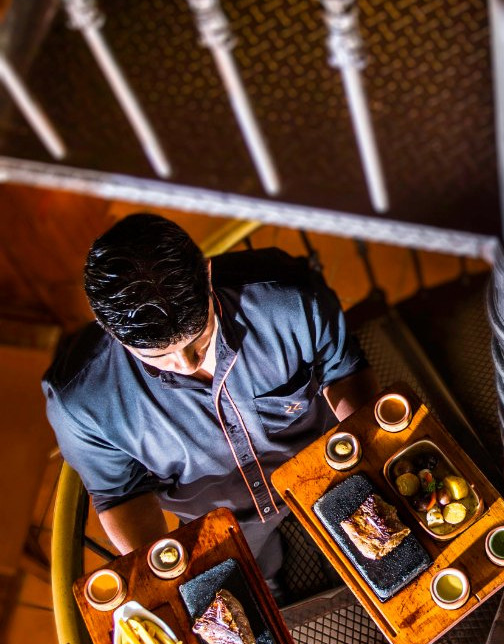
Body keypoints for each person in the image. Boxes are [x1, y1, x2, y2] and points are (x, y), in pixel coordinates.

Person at [42, 213, 376, 592]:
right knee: (257, 580)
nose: (187, 364)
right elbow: (120, 493)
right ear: (110, 332)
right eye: (158, 356)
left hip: (325, 463)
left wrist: (369, 463)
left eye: (198, 338)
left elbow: (342, 369)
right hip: (222, 520)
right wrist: (172, 579)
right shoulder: (82, 401)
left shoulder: (287, 296)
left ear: (207, 276)